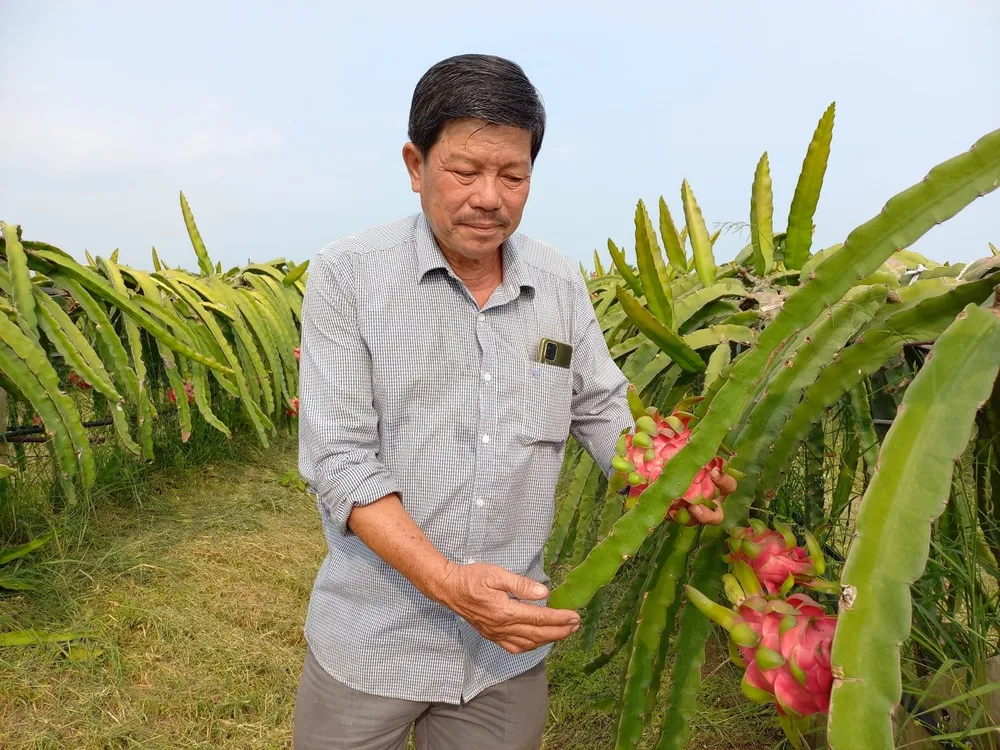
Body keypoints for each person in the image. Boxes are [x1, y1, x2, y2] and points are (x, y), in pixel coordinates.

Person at [293, 53, 735, 750]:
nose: (489, 197)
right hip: (374, 639)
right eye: (465, 171)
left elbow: (598, 406)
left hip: (507, 650)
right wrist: (447, 583)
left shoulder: (559, 283)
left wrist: (666, 478)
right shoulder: (347, 277)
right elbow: (342, 460)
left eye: (513, 174)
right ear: (416, 165)